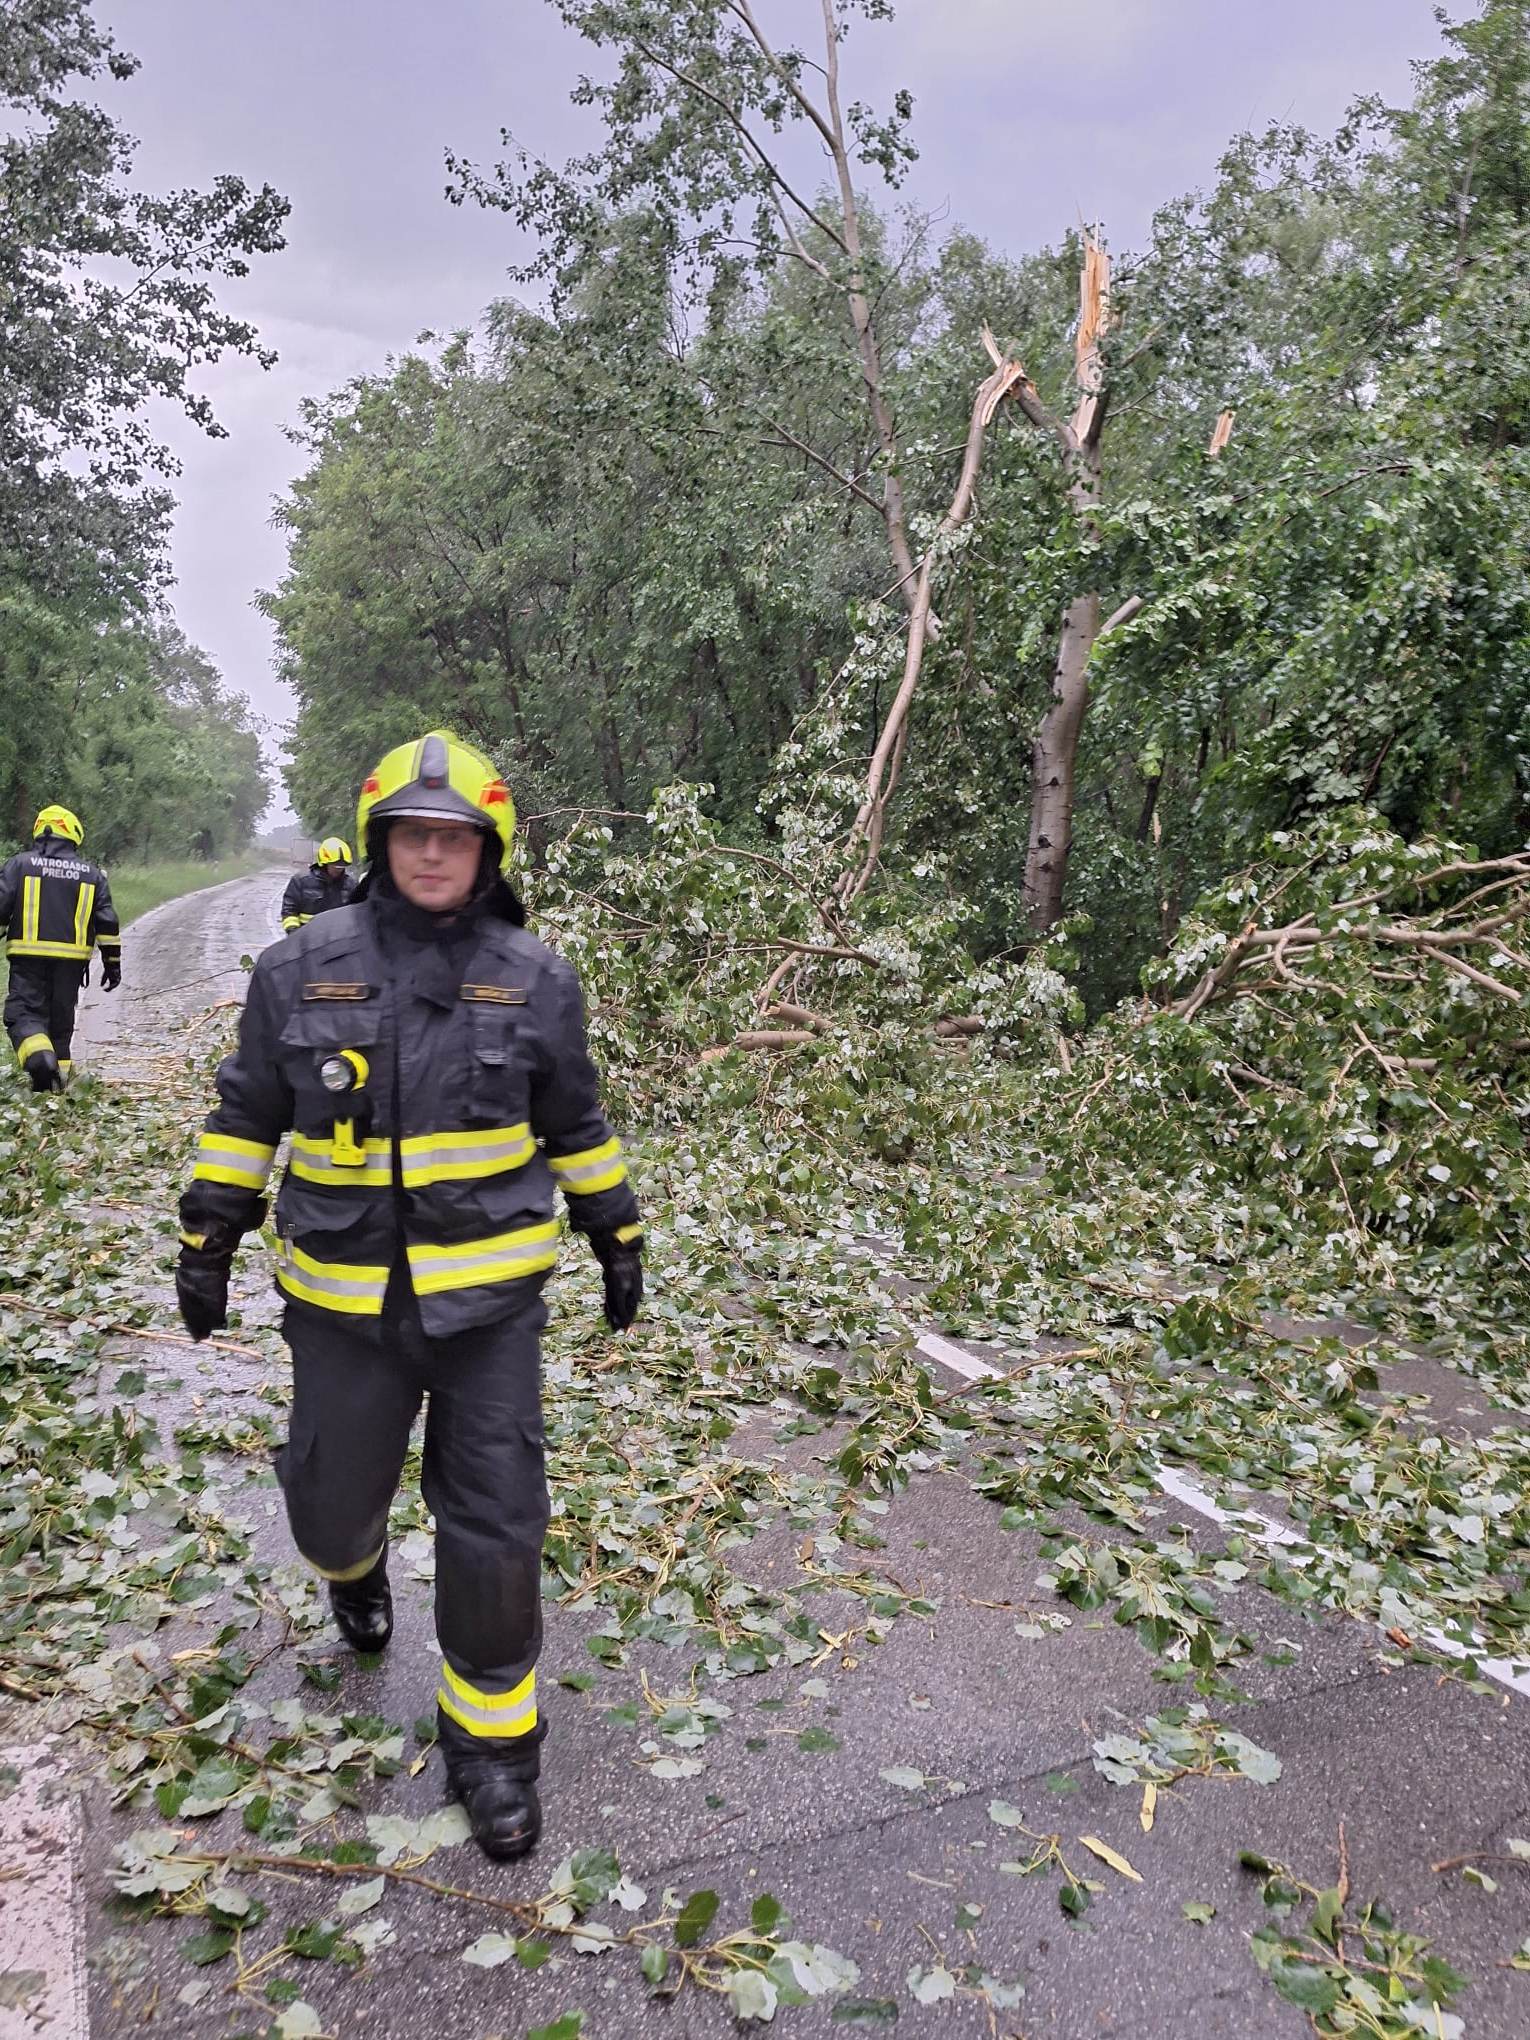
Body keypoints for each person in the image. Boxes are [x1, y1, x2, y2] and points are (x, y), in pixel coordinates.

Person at [173, 731, 644, 1860]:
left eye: (456, 837)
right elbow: (246, 1114)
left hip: (489, 1317)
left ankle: (493, 1751)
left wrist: (615, 1232)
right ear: (382, 842)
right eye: (414, 834)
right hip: (341, 1306)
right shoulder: (297, 968)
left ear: (491, 851)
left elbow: (573, 1122)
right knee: (330, 1508)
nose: (434, 853)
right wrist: (209, 1236)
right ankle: (356, 1570)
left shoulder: (538, 980)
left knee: (497, 1529)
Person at [0, 805, 121, 1091]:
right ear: (74, 834)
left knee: (23, 1015)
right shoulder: (92, 875)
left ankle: (42, 1063)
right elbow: (107, 921)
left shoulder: (20, 865)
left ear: (41, 831)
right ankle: (56, 1092)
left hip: (28, 961)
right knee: (60, 1026)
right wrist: (112, 963)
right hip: (71, 965)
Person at [279, 837, 355, 932]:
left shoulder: (351, 885)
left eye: (342, 867)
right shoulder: (300, 881)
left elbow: (357, 914)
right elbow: (289, 912)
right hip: (306, 938)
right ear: (323, 864)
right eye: (335, 866)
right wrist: (294, 934)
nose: (338, 870)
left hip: (337, 940)